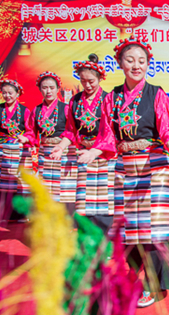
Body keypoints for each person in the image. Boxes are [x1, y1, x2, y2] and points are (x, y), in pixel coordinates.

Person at [77, 36, 169, 308]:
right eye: (130, 60)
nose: (136, 65)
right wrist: (94, 152)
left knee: (154, 227)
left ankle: (154, 284)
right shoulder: (112, 97)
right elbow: (106, 135)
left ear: (148, 64)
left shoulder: (156, 94)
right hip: (125, 168)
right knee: (129, 228)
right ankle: (133, 274)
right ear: (120, 63)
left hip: (153, 166)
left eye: (142, 60)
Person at [51, 54, 113, 234]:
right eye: (83, 81)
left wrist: (96, 151)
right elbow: (70, 130)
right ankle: (87, 240)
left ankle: (103, 243)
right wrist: (61, 146)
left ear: (100, 78)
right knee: (84, 201)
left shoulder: (108, 100)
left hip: (104, 155)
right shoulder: (75, 101)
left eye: (91, 81)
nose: (87, 85)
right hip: (83, 155)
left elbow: (111, 133)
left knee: (103, 201)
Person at [0, 79, 36, 222]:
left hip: (20, 150)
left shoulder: (25, 111)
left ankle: (22, 214)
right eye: (4, 93)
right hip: (2, 151)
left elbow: (31, 131)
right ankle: (5, 214)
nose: (7, 96)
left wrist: (26, 138)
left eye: (10, 93)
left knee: (21, 182)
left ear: (17, 94)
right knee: (4, 183)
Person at [29, 71, 76, 215]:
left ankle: (68, 220)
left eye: (51, 87)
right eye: (44, 87)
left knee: (66, 187)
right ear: (40, 89)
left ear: (57, 88)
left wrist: (62, 146)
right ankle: (50, 218)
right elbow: (31, 131)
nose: (48, 91)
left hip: (65, 152)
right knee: (48, 186)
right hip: (46, 154)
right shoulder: (36, 110)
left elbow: (72, 130)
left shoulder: (66, 108)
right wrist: (27, 138)